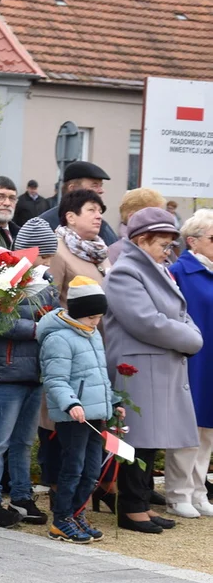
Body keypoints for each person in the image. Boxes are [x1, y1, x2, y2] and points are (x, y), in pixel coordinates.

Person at [104, 207, 203, 532]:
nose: (168, 251)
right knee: (138, 439)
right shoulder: (125, 272)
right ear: (143, 240)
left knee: (152, 437)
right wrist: (191, 338)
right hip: (139, 366)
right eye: (162, 243)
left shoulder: (155, 268)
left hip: (157, 365)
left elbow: (179, 313)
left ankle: (142, 503)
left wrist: (191, 334)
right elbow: (146, 321)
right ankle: (131, 508)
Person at [0, 218, 58, 528]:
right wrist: (39, 328)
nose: (47, 263)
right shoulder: (6, 278)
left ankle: (22, 496)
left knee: (24, 442)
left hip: (33, 374)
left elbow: (50, 316)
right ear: (30, 251)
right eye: (44, 255)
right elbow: (0, 322)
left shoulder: (46, 283)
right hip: (8, 372)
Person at [38, 277, 117, 543]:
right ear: (78, 312)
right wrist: (71, 402)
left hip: (95, 415)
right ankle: (61, 519)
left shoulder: (92, 335)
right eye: (92, 317)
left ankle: (78, 512)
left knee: (92, 469)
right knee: (73, 467)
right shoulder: (59, 338)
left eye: (99, 317)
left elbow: (97, 376)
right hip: (74, 416)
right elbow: (55, 379)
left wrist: (113, 402)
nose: (96, 322)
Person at [169, 209, 213, 516]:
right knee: (187, 426)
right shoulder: (179, 271)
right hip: (193, 358)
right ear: (192, 241)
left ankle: (199, 490)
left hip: (211, 357)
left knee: (208, 428)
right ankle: (178, 493)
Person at [50, 190, 112, 306]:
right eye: (91, 210)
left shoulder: (100, 250)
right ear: (71, 217)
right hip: (72, 323)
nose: (99, 216)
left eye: (99, 211)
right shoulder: (56, 250)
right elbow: (49, 301)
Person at [40, 162, 118, 245]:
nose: (101, 191)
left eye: (101, 185)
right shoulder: (44, 226)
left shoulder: (101, 225)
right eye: (94, 185)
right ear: (73, 189)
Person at [109, 188, 166, 263]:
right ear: (132, 218)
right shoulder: (118, 252)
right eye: (154, 215)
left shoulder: (164, 246)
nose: (162, 220)